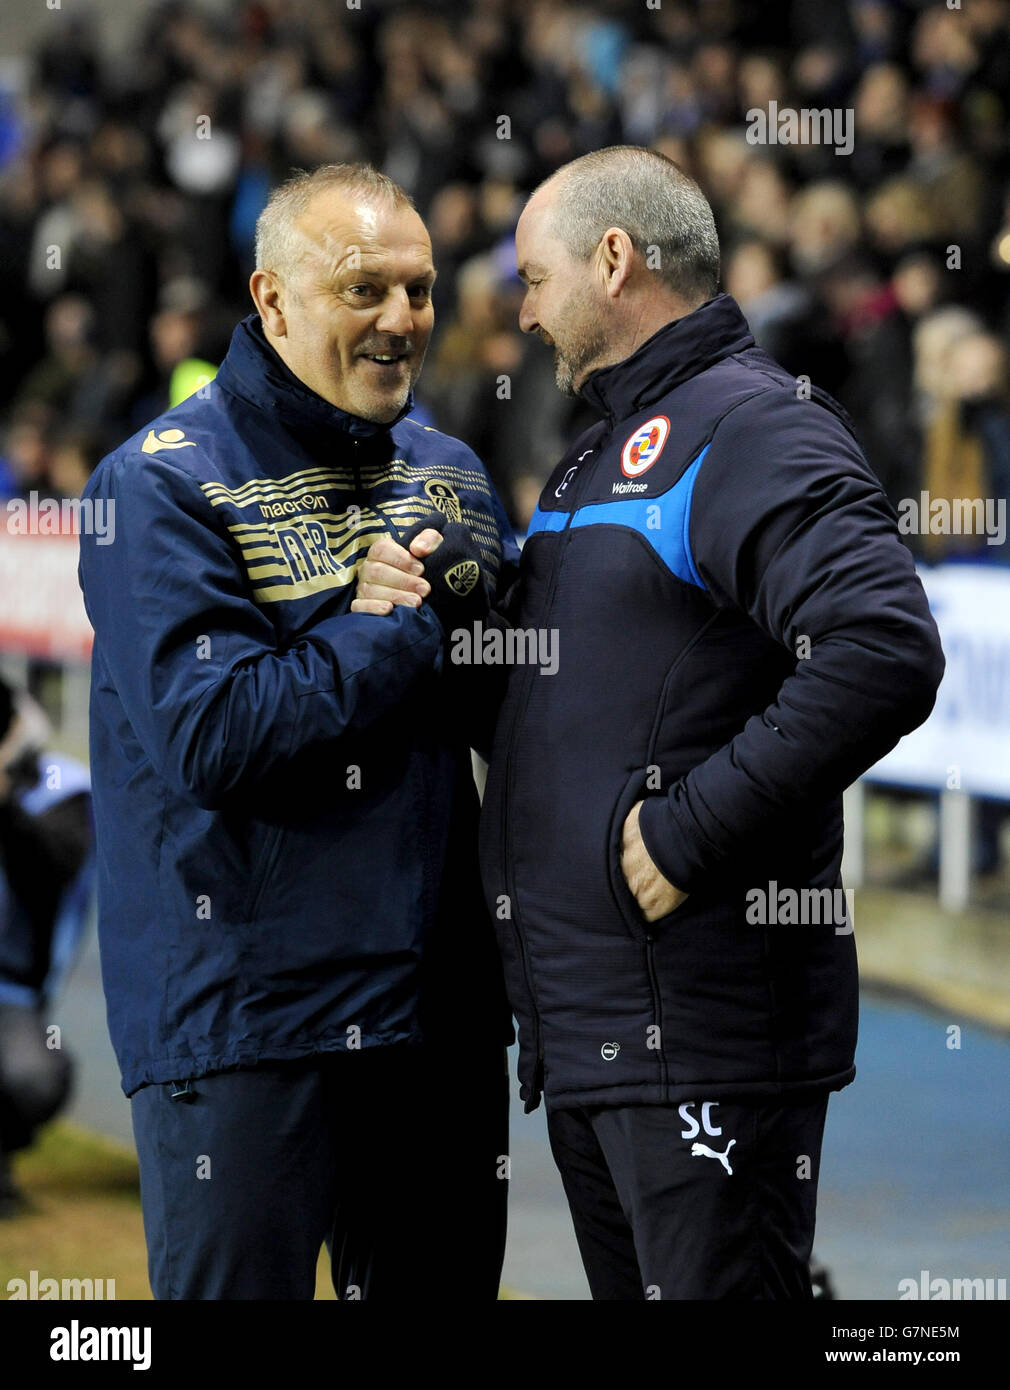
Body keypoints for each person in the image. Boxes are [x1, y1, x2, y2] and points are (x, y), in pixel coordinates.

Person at [354, 146, 945, 1300]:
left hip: (700, 1030)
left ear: (613, 259)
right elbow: (561, 711)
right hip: (600, 1033)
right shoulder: (593, 455)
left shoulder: (752, 428)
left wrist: (688, 834)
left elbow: (881, 648)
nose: (519, 313)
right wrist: (441, 605)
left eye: (532, 277)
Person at [78, 164, 518, 1300]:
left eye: (416, 290)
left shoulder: (449, 470)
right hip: (245, 1021)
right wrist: (389, 631)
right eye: (360, 289)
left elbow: (510, 713)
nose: (400, 321)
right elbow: (210, 734)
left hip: (434, 1020)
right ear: (272, 301)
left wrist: (498, 623)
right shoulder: (157, 486)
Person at [0, 678, 93, 1216]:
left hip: (11, 991)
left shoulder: (60, 785)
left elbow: (54, 865)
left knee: (30, 1074)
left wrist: (3, 801)